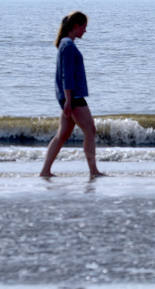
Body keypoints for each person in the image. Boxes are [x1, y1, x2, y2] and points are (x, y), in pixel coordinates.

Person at [40, 11, 106, 178]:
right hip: (73, 97)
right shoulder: (68, 45)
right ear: (76, 26)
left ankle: (45, 171)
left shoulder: (65, 44)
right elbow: (66, 75)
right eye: (84, 27)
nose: (85, 31)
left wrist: (66, 100)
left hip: (68, 97)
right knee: (90, 130)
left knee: (62, 134)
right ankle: (94, 171)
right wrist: (69, 100)